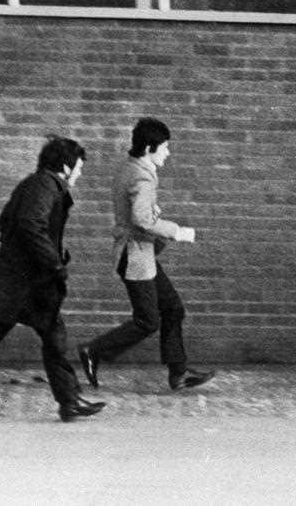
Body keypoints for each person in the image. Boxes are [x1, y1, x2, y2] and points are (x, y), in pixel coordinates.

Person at [0, 136, 105, 422]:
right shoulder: (44, 185)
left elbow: (6, 221)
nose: (79, 174)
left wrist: (38, 252)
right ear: (66, 167)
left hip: (28, 282)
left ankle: (69, 401)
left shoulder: (36, 184)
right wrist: (53, 262)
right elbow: (29, 223)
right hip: (23, 283)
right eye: (78, 167)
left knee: (52, 334)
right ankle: (69, 400)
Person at [78, 118, 214, 391]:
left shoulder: (130, 168)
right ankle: (93, 351)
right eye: (165, 147)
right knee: (148, 320)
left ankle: (178, 372)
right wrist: (177, 231)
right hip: (135, 256)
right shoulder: (142, 174)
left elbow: (136, 214)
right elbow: (140, 219)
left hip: (142, 254)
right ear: (150, 147)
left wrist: (152, 213)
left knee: (172, 308)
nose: (168, 153)